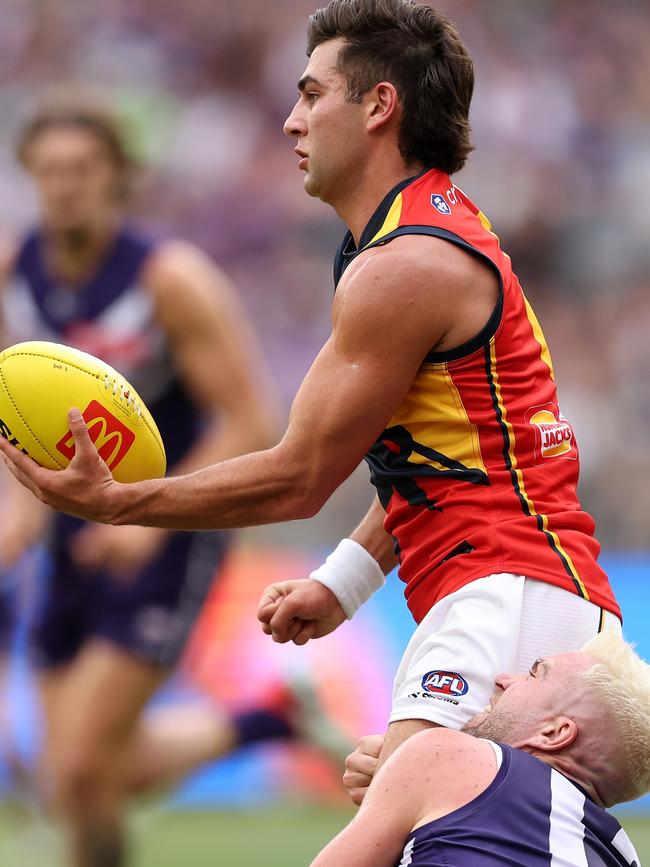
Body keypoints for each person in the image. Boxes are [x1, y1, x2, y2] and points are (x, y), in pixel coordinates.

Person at [0, 0, 623, 778]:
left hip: (511, 597)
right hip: (526, 593)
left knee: (386, 828)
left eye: (311, 94)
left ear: (378, 106)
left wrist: (121, 502)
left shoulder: (404, 264)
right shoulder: (401, 241)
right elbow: (439, 462)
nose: (291, 122)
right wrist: (345, 579)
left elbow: (299, 476)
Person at [0, 98, 314, 867]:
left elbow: (249, 417)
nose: (65, 187)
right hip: (73, 528)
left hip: (166, 527)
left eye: (82, 170)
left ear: (118, 179)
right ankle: (264, 721)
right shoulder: (17, 271)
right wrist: (19, 509)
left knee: (77, 767)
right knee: (70, 778)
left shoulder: (169, 279)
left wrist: (145, 514)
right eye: (49, 172)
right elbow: (18, 415)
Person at [313, 630, 649, 866]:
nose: (504, 677)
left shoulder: (451, 757)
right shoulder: (623, 855)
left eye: (533, 673)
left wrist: (403, 773)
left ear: (554, 733)